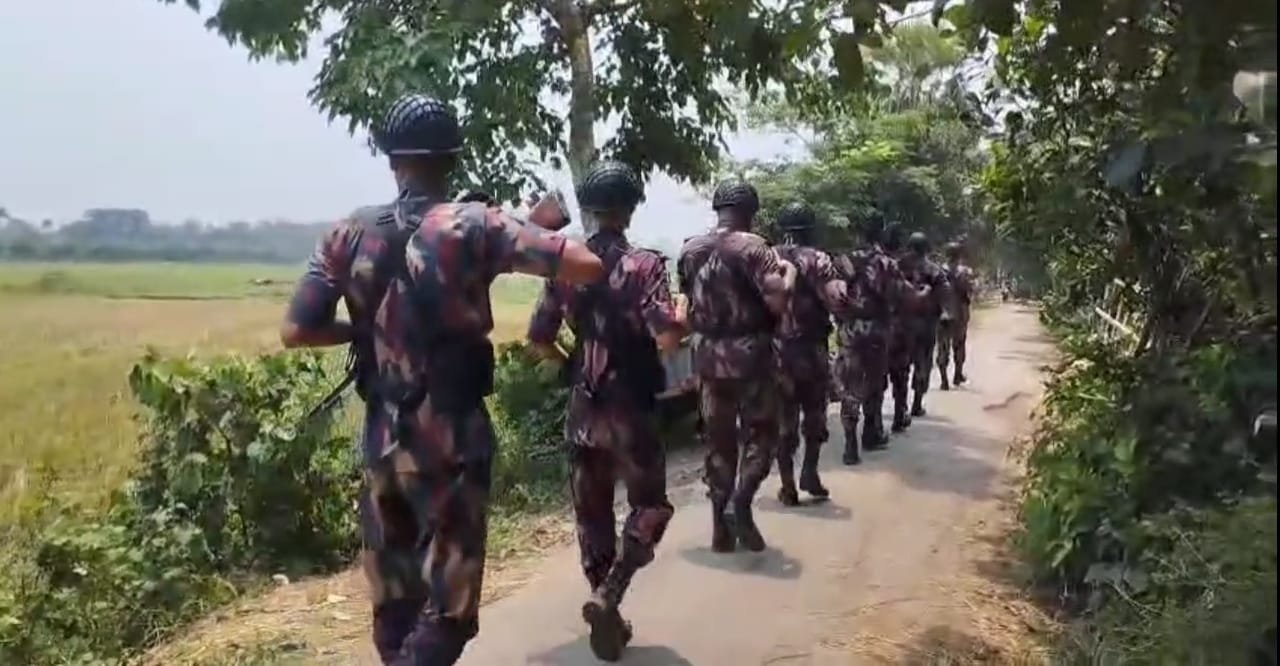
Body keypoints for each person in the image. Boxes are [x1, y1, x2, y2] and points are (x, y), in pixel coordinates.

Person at [279, 93, 606, 666]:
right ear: (451, 156)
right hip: (452, 438)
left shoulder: (348, 232)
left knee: (394, 602)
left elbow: (297, 329)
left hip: (383, 438)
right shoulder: (474, 224)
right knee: (450, 610)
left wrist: (365, 334)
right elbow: (585, 264)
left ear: (390, 160)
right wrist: (508, 234)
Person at [526, 160, 687, 662]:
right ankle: (610, 593)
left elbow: (538, 339)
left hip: (583, 405)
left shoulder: (565, 264)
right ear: (630, 210)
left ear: (591, 211)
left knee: (591, 515)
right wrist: (681, 315)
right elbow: (667, 336)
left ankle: (606, 607)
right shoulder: (646, 265)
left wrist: (571, 362)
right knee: (651, 506)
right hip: (630, 406)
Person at [677, 179, 794, 553]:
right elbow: (778, 302)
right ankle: (740, 502)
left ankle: (719, 529)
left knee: (718, 442)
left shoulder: (690, 249)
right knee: (762, 434)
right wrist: (788, 272)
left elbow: (685, 303)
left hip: (708, 358)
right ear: (750, 211)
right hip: (752, 357)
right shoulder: (756, 248)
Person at [771, 202, 844, 505]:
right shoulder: (817, 259)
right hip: (810, 349)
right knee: (814, 414)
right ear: (810, 228)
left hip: (774, 353)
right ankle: (810, 473)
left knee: (783, 420)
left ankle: (787, 485)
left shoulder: (767, 256)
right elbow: (836, 300)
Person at [833, 210, 901, 464]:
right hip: (876, 328)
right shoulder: (885, 263)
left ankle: (851, 442)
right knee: (875, 381)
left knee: (850, 384)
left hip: (850, 328)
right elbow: (894, 297)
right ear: (880, 231)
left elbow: (834, 296)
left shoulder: (843, 260)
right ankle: (872, 432)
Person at [898, 232, 951, 417]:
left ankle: (900, 406)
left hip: (902, 324)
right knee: (923, 362)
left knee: (901, 365)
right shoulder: (933, 269)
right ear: (926, 249)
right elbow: (945, 291)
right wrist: (945, 312)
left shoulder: (899, 266)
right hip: (926, 323)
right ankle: (916, 403)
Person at [882, 223, 916, 432]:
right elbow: (908, 295)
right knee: (900, 374)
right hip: (898, 328)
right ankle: (898, 414)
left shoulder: (869, 261)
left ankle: (874, 422)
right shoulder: (900, 266)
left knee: (876, 377)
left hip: (877, 327)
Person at [936, 240, 976, 389]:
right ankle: (957, 375)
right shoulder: (964, 272)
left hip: (942, 313)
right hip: (959, 313)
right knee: (959, 345)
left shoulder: (939, 270)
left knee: (942, 347)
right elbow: (968, 290)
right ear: (959, 255)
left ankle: (944, 380)